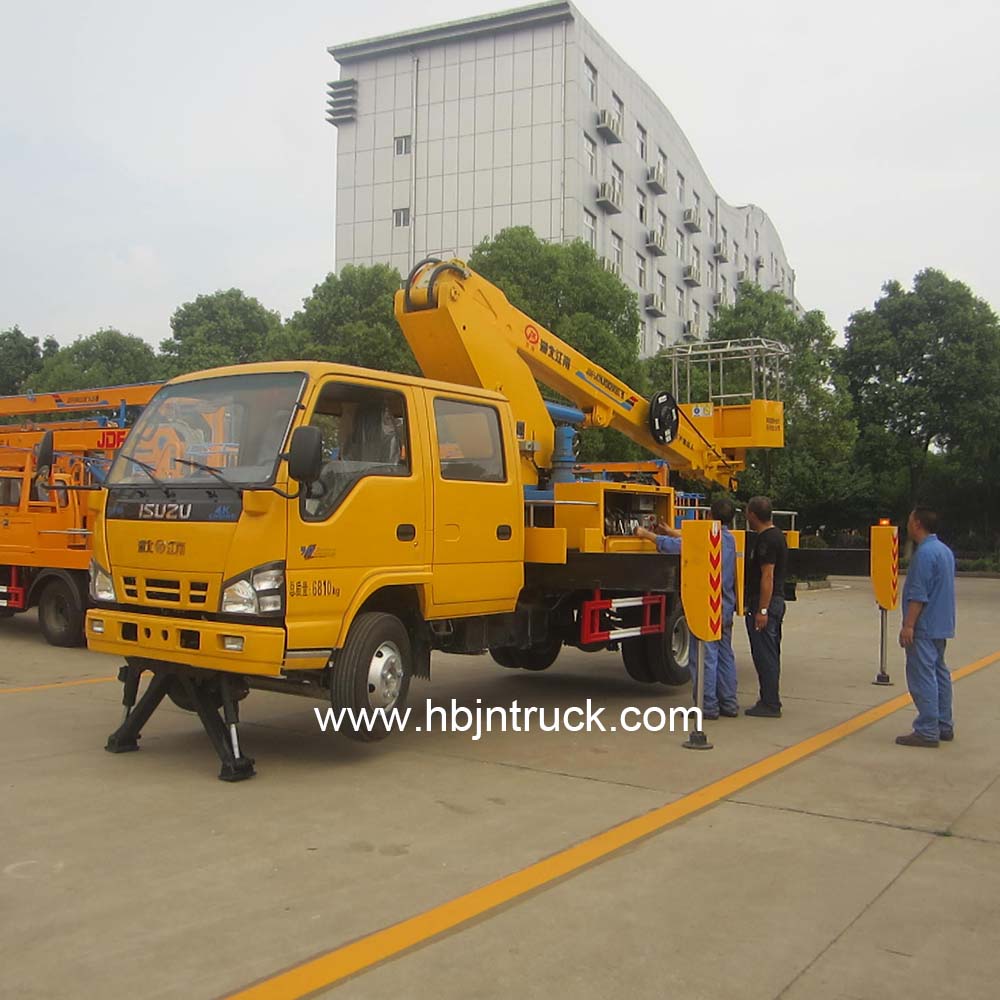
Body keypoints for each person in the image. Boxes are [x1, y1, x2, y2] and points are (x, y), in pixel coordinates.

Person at [635, 496, 739, 719]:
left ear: (709, 516)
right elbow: (692, 540)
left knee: (704, 657)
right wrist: (671, 530)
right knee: (725, 654)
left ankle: (707, 707)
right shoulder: (730, 539)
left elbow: (680, 546)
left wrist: (648, 535)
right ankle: (729, 704)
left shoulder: (706, 540)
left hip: (707, 607)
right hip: (725, 605)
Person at [896, 506, 956, 748]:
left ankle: (927, 729)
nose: (908, 525)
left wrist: (908, 625)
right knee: (940, 672)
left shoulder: (924, 555)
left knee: (922, 676)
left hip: (924, 625)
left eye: (910, 520)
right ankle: (944, 723)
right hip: (941, 624)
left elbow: (919, 594)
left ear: (917, 524)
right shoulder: (944, 551)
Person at [744, 495, 788, 718]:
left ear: (752, 514)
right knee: (769, 652)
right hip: (772, 603)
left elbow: (767, 576)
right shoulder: (776, 535)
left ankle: (770, 703)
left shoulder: (767, 540)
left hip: (766, 605)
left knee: (765, 654)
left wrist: (762, 610)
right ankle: (769, 699)